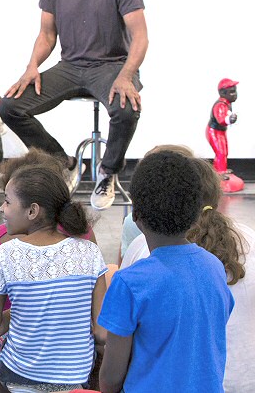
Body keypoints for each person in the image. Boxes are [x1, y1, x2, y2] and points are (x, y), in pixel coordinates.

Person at [0, 0, 148, 210]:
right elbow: (46, 35)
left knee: (126, 109)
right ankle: (60, 161)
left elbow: (141, 36)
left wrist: (126, 74)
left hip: (111, 66)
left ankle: (107, 171)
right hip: (70, 68)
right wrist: (32, 67)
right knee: (10, 106)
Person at [98, 151, 234, 393]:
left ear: (136, 215)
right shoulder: (214, 267)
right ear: (196, 216)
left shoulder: (129, 283)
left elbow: (111, 378)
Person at [0, 165, 107, 391]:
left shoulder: (6, 254)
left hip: (20, 378)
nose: (2, 208)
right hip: (75, 377)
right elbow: (101, 331)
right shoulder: (90, 252)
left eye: (7, 202)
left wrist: (23, 308)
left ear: (32, 211)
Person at [207, 78, 243, 192]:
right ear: (223, 93)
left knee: (224, 152)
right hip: (214, 131)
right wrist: (230, 119)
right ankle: (220, 173)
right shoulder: (221, 104)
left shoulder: (227, 103)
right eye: (231, 92)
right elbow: (221, 119)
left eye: (235, 91)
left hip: (220, 131)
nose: (235, 95)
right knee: (221, 152)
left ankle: (220, 170)